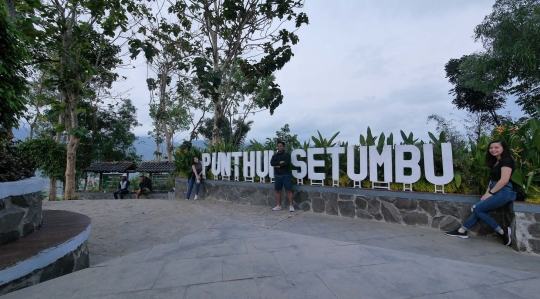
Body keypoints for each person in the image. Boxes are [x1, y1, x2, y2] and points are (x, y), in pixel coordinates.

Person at [445, 140, 516, 246]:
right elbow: (492, 180)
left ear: (503, 148)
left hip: (503, 191)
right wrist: (486, 193)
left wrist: (491, 193)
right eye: (491, 148)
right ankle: (462, 231)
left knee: (476, 208)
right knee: (479, 210)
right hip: (496, 190)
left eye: (496, 147)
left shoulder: (507, 161)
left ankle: (502, 231)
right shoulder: (495, 162)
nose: (493, 150)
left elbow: (504, 180)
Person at [270, 141, 294, 212]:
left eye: (280, 146)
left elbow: (286, 163)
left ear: (283, 147)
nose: (279, 147)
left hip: (286, 175)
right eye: (278, 146)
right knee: (278, 191)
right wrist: (279, 163)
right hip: (278, 175)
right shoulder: (275, 155)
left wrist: (278, 165)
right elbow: (272, 163)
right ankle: (278, 206)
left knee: (289, 190)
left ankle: (291, 206)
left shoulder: (287, 155)